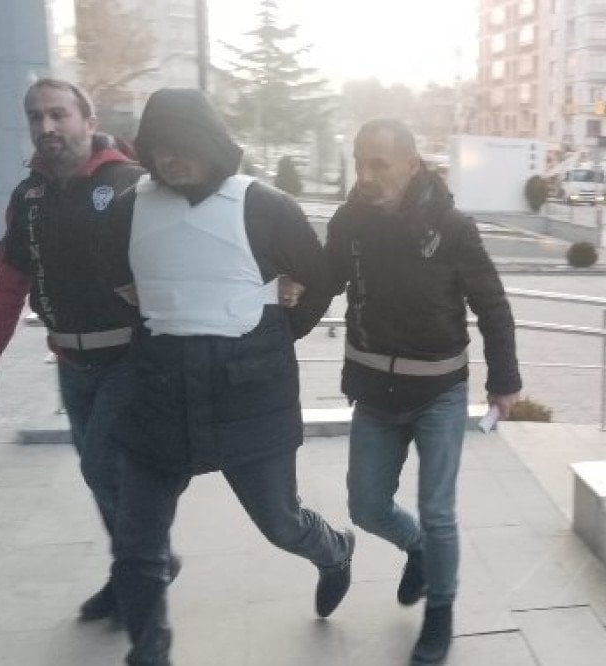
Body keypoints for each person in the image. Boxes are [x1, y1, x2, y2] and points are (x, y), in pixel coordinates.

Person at [98, 88, 354, 666]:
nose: (169, 158)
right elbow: (112, 276)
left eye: (182, 145)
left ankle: (334, 551)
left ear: (211, 142)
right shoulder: (128, 209)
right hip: (158, 396)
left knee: (281, 524)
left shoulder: (266, 207)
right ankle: (149, 654)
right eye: (158, 147)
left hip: (250, 398)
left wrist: (282, 332)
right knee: (136, 546)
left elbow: (320, 278)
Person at [324, 118, 522, 664]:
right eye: (360, 163)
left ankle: (440, 613)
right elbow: (324, 280)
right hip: (374, 392)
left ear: (411, 166)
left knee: (438, 511)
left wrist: (504, 380)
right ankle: (417, 551)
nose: (366, 175)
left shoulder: (451, 227)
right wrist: (283, 309)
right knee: (366, 507)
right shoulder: (351, 222)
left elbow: (493, 306)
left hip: (439, 392)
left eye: (379, 164)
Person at [0, 78, 144, 622]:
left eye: (58, 114)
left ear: (88, 121)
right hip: (71, 364)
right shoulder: (28, 198)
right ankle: (134, 568)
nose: (45, 126)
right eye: (35, 116)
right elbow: (8, 284)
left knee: (102, 466)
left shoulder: (130, 185)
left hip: (129, 361)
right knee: (100, 475)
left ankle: (145, 567)